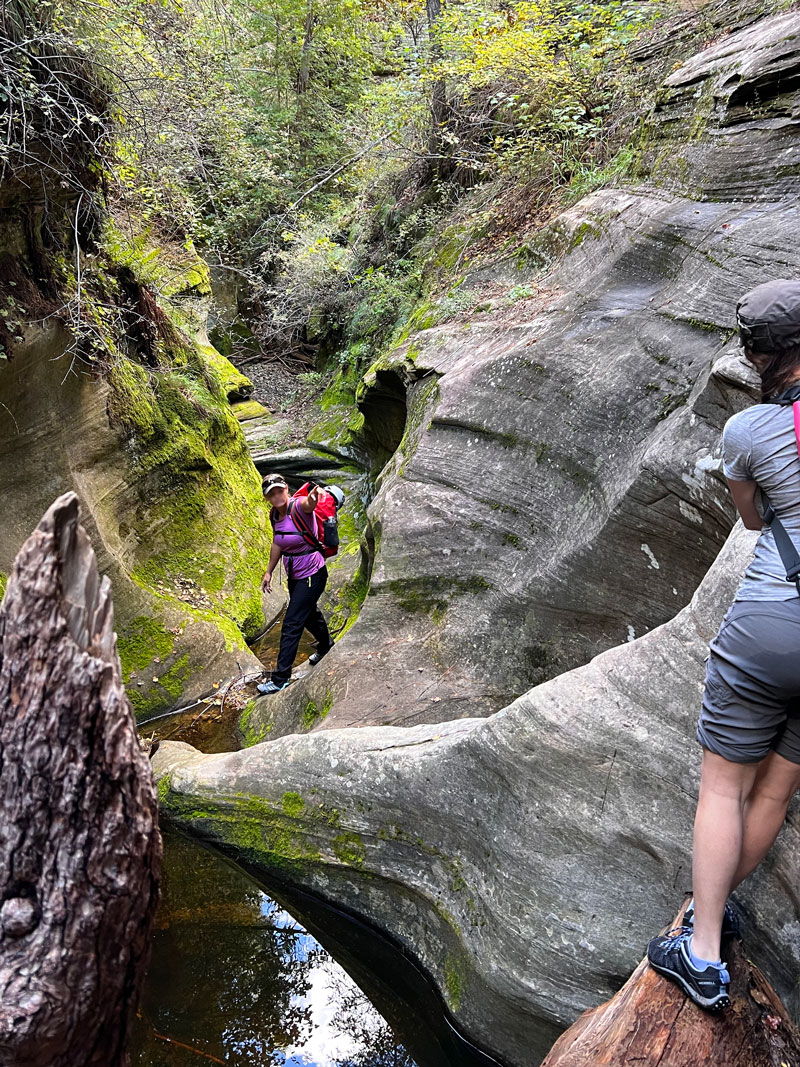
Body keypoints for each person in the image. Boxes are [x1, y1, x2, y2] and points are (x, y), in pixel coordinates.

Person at [647, 279, 800, 1012]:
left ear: (760, 356)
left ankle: (702, 952)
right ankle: (715, 911)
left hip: (776, 621)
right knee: (775, 787)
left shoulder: (750, 433)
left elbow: (751, 521)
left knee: (724, 784)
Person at [258, 473, 335, 695]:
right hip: (295, 575)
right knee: (310, 614)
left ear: (287, 491)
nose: (276, 496)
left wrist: (314, 495)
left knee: (292, 622)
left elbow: (309, 503)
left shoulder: (298, 507)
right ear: (267, 498)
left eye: (279, 490)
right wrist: (268, 572)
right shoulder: (275, 515)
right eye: (271, 494)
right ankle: (326, 646)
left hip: (312, 573)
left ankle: (281, 678)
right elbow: (277, 543)